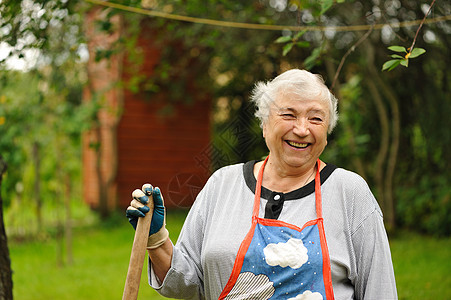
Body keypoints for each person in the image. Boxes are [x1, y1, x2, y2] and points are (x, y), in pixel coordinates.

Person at [126, 69, 398, 300]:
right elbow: (185, 286)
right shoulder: (223, 185)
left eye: (316, 118)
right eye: (289, 115)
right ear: (264, 123)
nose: (302, 129)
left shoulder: (349, 193)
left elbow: (380, 290)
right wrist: (156, 237)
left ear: (327, 132)